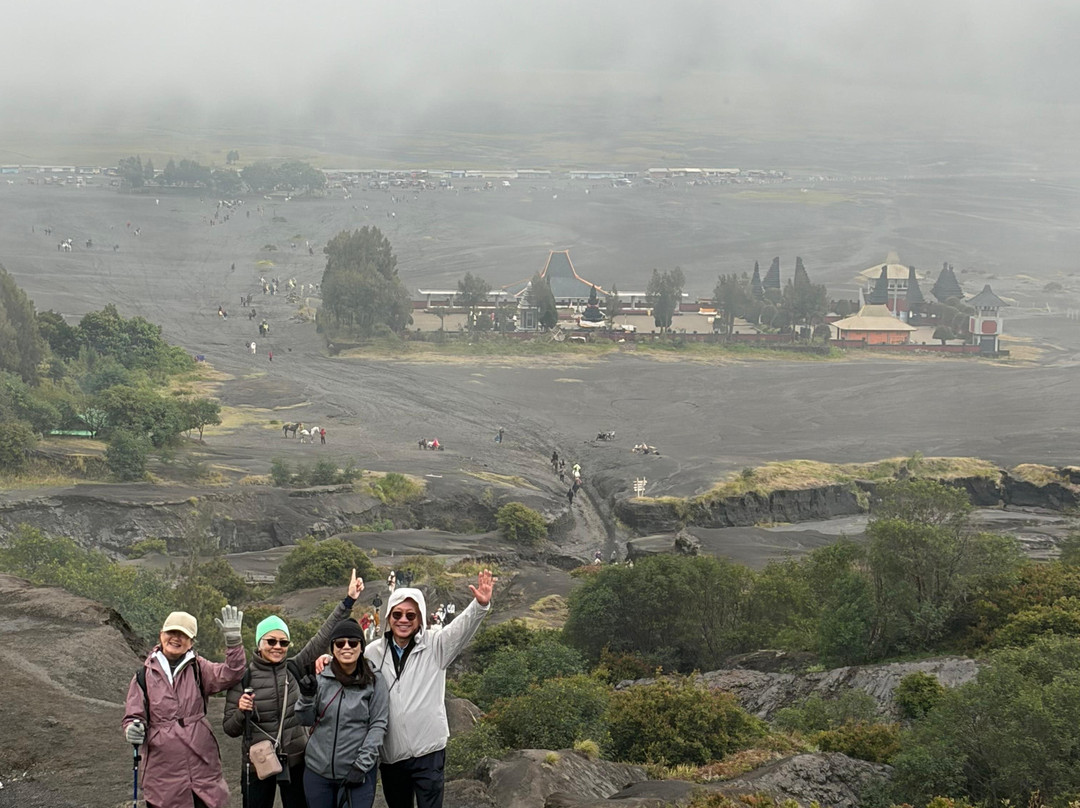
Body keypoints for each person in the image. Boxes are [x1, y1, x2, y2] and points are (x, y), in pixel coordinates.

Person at [222, 571, 365, 808]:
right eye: (271, 641)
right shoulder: (243, 677)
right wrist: (240, 711)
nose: (278, 646)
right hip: (258, 762)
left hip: (297, 759)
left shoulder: (295, 668)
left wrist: (348, 601)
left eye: (283, 642)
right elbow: (229, 728)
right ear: (259, 643)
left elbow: (322, 637)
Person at [366, 571, 494, 808]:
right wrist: (325, 661)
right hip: (391, 753)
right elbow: (348, 666)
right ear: (389, 617)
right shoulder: (373, 652)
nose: (403, 620)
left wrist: (480, 605)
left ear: (420, 618)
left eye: (410, 615)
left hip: (429, 750)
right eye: (397, 614)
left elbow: (460, 630)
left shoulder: (436, 645)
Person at [122, 606, 247, 808]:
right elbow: (133, 716)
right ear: (161, 634)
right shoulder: (142, 676)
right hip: (162, 767)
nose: (176, 638)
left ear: (191, 642)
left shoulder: (199, 667)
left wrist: (233, 643)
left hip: (202, 761)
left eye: (183, 635)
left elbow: (233, 672)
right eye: (172, 632)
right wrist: (133, 728)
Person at [296, 620, 388, 808]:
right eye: (340, 643)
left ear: (361, 647)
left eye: (353, 643)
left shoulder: (374, 680)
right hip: (317, 772)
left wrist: (361, 765)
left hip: (357, 773)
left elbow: (378, 725)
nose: (346, 647)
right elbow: (305, 720)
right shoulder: (320, 677)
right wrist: (306, 697)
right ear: (332, 648)